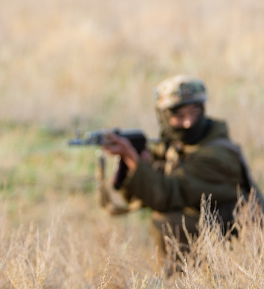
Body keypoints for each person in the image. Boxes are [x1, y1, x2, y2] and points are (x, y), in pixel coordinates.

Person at [101, 75, 260, 262]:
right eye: (179, 116)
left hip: (241, 239)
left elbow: (166, 195)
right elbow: (143, 195)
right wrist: (141, 164)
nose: (188, 123)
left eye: (194, 113)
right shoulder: (179, 146)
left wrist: (132, 159)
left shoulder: (218, 155)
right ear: (163, 116)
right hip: (215, 227)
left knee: (168, 221)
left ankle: (179, 283)